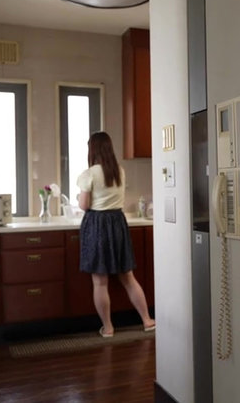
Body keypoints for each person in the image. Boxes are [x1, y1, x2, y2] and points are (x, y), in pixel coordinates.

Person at [77, 131, 155, 337]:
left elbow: (84, 205)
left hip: (97, 225)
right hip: (117, 223)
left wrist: (81, 198)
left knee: (100, 281)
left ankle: (108, 327)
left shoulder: (89, 174)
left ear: (92, 150)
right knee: (128, 277)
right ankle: (147, 320)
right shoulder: (119, 171)